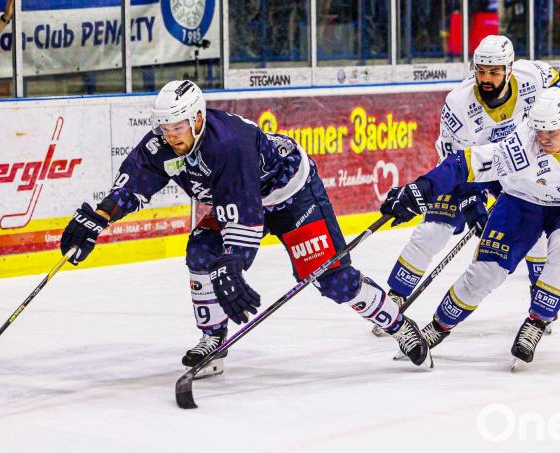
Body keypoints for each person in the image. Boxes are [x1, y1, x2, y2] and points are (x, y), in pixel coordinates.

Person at [59, 80, 431, 375]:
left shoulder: (229, 144)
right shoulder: (164, 145)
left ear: (198, 119)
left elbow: (246, 214)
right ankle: (213, 341)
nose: (171, 135)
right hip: (241, 199)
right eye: (165, 127)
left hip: (292, 195)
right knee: (201, 252)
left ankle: (400, 325)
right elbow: (135, 180)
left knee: (332, 279)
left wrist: (234, 261)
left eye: (178, 127)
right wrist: (100, 216)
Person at [380, 49, 560, 366]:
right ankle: (439, 326)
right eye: (539, 131)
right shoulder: (522, 147)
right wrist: (421, 188)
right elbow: (464, 164)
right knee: (484, 274)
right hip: (524, 200)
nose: (543, 138)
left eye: (551, 132)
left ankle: (537, 321)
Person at [378, 35, 560, 336]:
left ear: (510, 69)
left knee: (536, 233)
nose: (486, 78)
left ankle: (539, 298)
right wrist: (471, 202)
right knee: (432, 232)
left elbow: (555, 78)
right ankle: (396, 296)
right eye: (481, 70)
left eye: (494, 72)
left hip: (513, 164)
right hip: (468, 167)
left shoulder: (532, 76)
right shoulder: (459, 103)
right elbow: (454, 160)